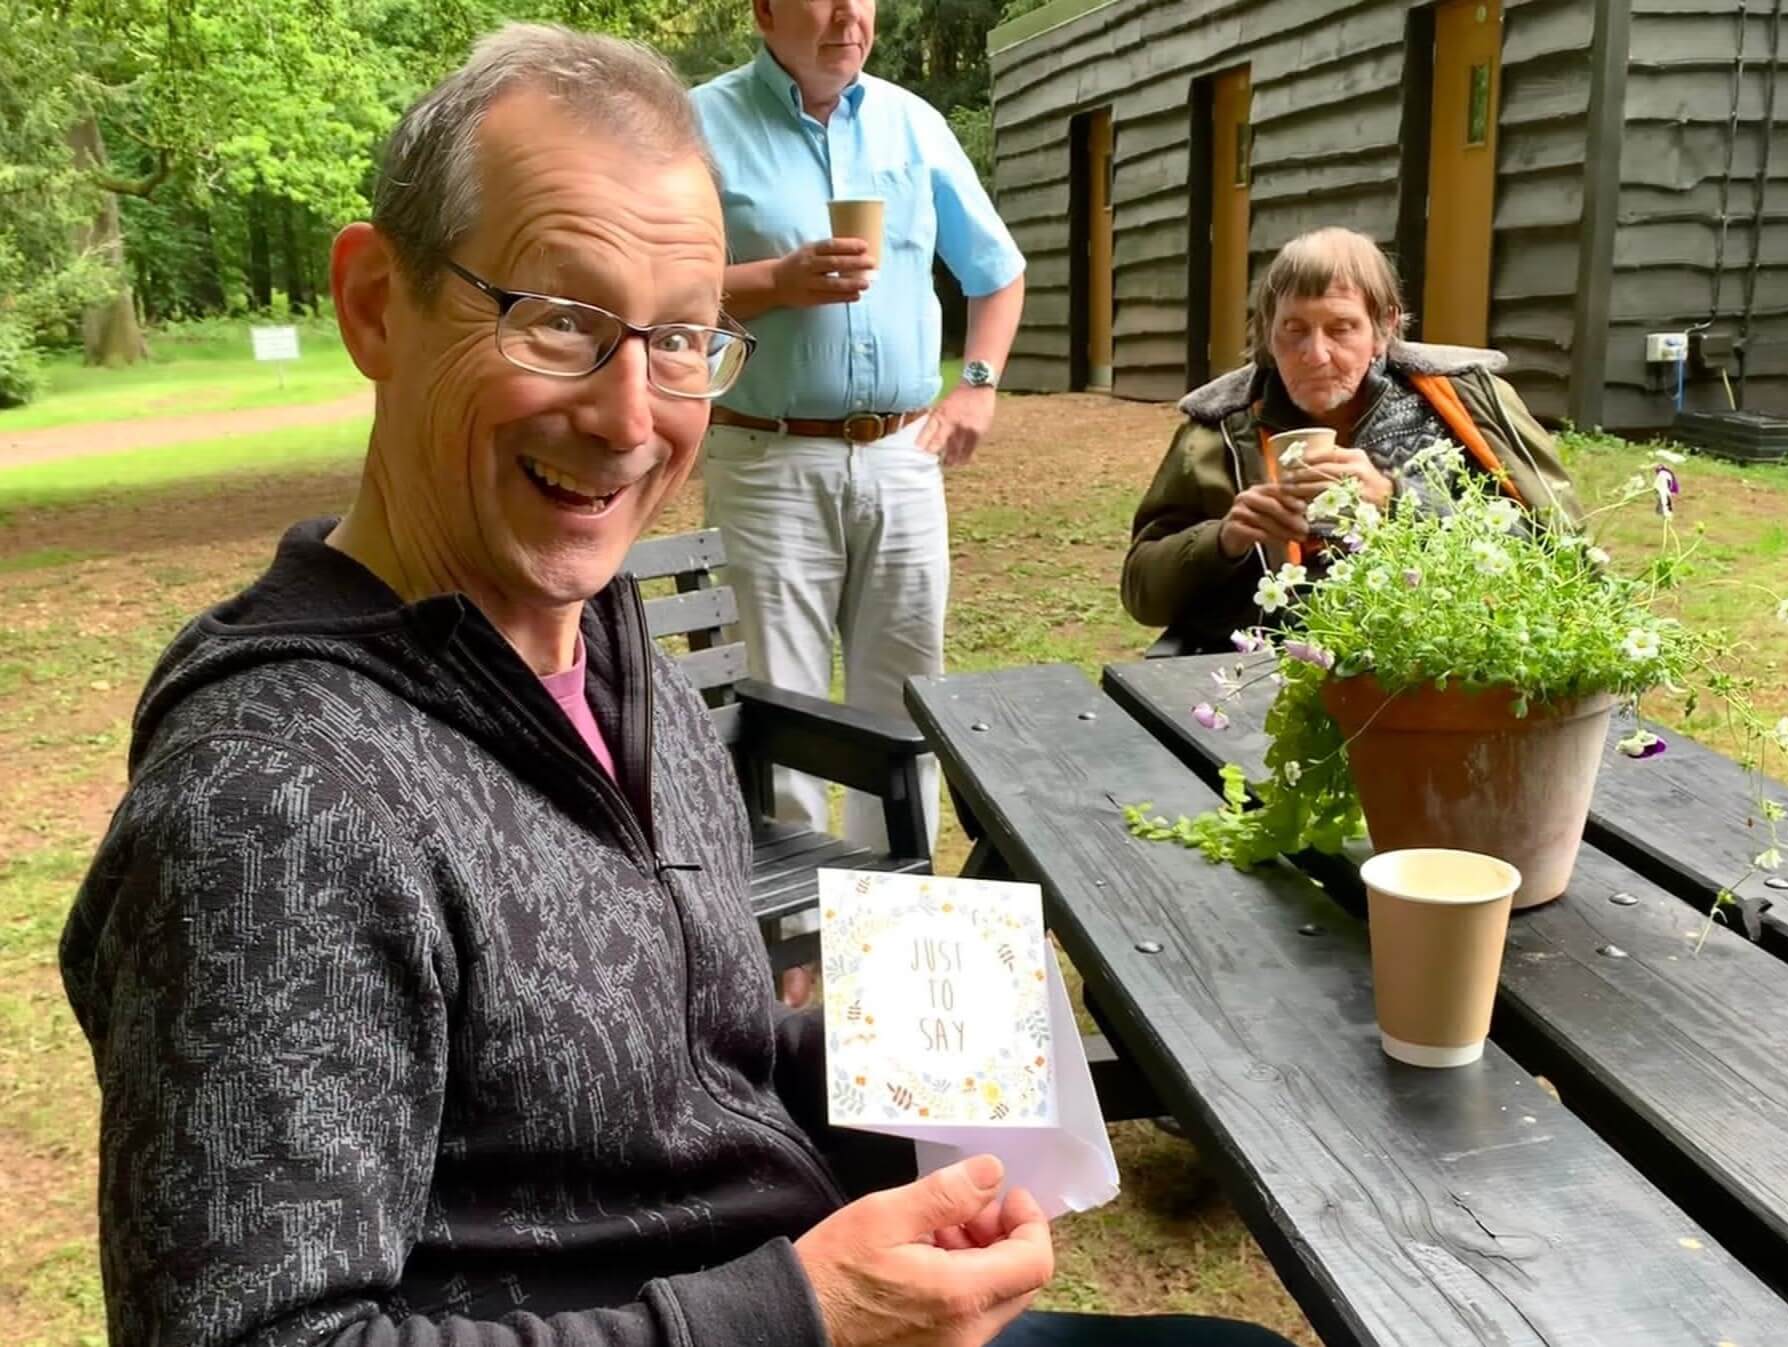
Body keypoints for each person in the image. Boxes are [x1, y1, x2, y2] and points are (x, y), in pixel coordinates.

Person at [58, 24, 1293, 1347]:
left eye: (685, 339)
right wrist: (812, 1308)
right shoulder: (270, 808)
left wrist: (936, 1062)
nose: (630, 416)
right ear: (374, 306)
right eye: (562, 322)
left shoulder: (603, 646)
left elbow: (665, 1065)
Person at [691, 0, 1027, 857]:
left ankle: (892, 916)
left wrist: (976, 387)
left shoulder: (912, 125)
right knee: (773, 698)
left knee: (905, 702)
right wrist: (774, 279)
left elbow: (997, 271)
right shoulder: (699, 126)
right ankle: (790, 940)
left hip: (903, 456)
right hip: (765, 453)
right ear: (766, 9)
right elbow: (651, 291)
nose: (849, 14)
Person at [1121, 226, 1579, 653]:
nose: (1315, 355)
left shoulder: (1464, 404)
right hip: (1266, 668)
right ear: (1267, 329)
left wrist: (1399, 503)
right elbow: (1142, 594)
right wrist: (1223, 540)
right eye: (1293, 329)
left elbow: (1566, 557)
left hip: (1441, 659)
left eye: (1341, 329)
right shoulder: (1218, 429)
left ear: (1384, 328)